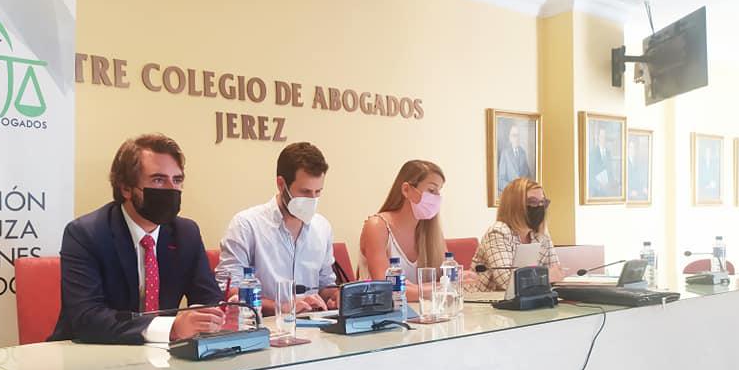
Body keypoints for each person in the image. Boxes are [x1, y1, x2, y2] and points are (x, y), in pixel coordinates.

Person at [49, 134, 224, 344]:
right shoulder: (86, 234)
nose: (171, 190)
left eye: (177, 180)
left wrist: (202, 316)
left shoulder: (186, 233)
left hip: (164, 358)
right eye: (158, 180)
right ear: (126, 188)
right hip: (90, 357)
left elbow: (208, 297)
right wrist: (170, 328)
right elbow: (87, 318)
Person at [216, 142, 338, 314]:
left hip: (315, 325)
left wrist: (336, 295)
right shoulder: (246, 225)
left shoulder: (322, 227)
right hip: (264, 328)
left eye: (318, 192)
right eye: (304, 192)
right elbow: (230, 291)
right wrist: (281, 308)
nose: (312, 200)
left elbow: (325, 284)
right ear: (281, 184)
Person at [358, 160, 449, 301]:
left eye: (439, 191)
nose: (437, 198)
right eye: (431, 190)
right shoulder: (377, 226)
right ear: (406, 190)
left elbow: (446, 281)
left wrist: (458, 278)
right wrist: (434, 288)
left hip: (424, 316)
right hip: (381, 317)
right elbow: (386, 288)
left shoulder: (432, 232)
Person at [471, 177, 563, 291]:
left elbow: (557, 273)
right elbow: (507, 282)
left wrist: (546, 277)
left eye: (543, 202)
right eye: (533, 202)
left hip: (525, 299)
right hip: (485, 303)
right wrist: (545, 277)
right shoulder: (498, 232)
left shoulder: (541, 233)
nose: (539, 207)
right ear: (515, 206)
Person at [498, 123, 532, 191]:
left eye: (518, 135)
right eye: (514, 135)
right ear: (510, 137)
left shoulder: (523, 152)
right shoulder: (505, 153)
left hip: (523, 193)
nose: (516, 138)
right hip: (510, 193)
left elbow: (528, 175)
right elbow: (500, 180)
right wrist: (512, 188)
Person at [588, 125, 617, 197]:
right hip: (597, 192)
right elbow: (590, 175)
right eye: (601, 136)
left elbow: (610, 172)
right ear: (598, 137)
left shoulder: (608, 153)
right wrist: (599, 186)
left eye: (605, 137)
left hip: (608, 191)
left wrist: (612, 183)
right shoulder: (592, 153)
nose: (603, 139)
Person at [627, 137, 648, 201]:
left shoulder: (638, 163)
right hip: (629, 197)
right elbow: (620, 184)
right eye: (631, 147)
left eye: (634, 148)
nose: (632, 150)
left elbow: (640, 179)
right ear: (627, 149)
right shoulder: (623, 163)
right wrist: (629, 192)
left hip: (638, 194)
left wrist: (644, 187)